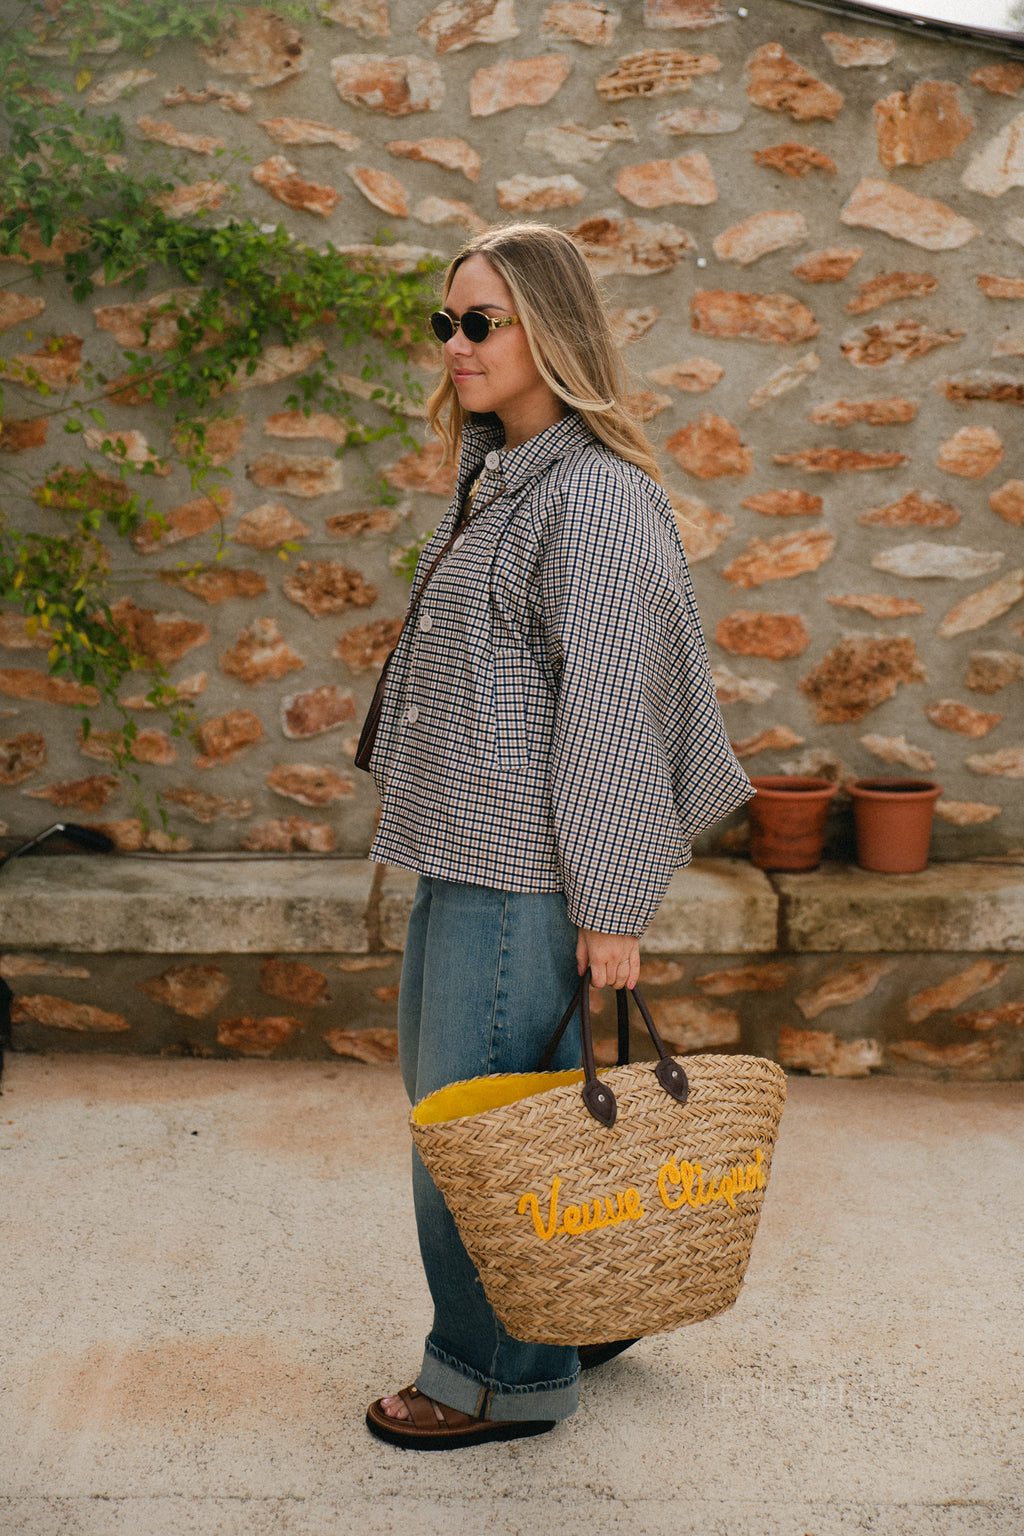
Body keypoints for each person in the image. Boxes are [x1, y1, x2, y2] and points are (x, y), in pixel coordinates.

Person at [362, 223, 752, 1450]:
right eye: (447, 322)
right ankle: (552, 1317)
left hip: (523, 877)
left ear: (552, 331)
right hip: (463, 857)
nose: (457, 345)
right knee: (468, 1119)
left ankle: (499, 1377)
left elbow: (611, 717)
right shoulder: (510, 475)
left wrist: (615, 912)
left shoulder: (588, 497)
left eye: (483, 322)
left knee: (482, 1140)